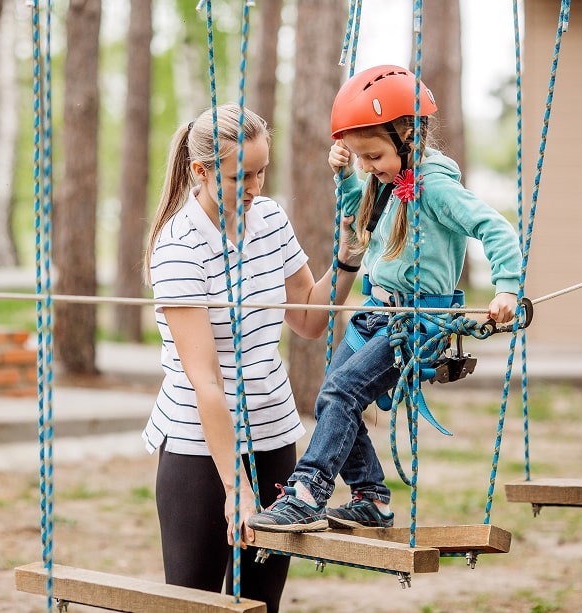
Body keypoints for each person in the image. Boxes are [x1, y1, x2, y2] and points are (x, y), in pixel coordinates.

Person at [248, 65, 522, 533]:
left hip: (417, 322)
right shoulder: (384, 181)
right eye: (360, 157)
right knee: (333, 395)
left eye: (373, 155)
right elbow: (362, 218)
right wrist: (346, 177)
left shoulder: (435, 186)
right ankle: (371, 497)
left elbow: (493, 227)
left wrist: (507, 287)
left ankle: (307, 492)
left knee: (341, 391)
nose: (368, 166)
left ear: (408, 136)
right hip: (376, 314)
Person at [142, 103, 362, 612]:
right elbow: (207, 382)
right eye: (240, 176)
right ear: (200, 171)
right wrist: (235, 487)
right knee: (195, 605)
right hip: (200, 448)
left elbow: (308, 319)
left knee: (261, 605)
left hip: (274, 434)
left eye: (261, 172)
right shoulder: (178, 247)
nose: (255, 187)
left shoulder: (269, 218)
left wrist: (348, 258)